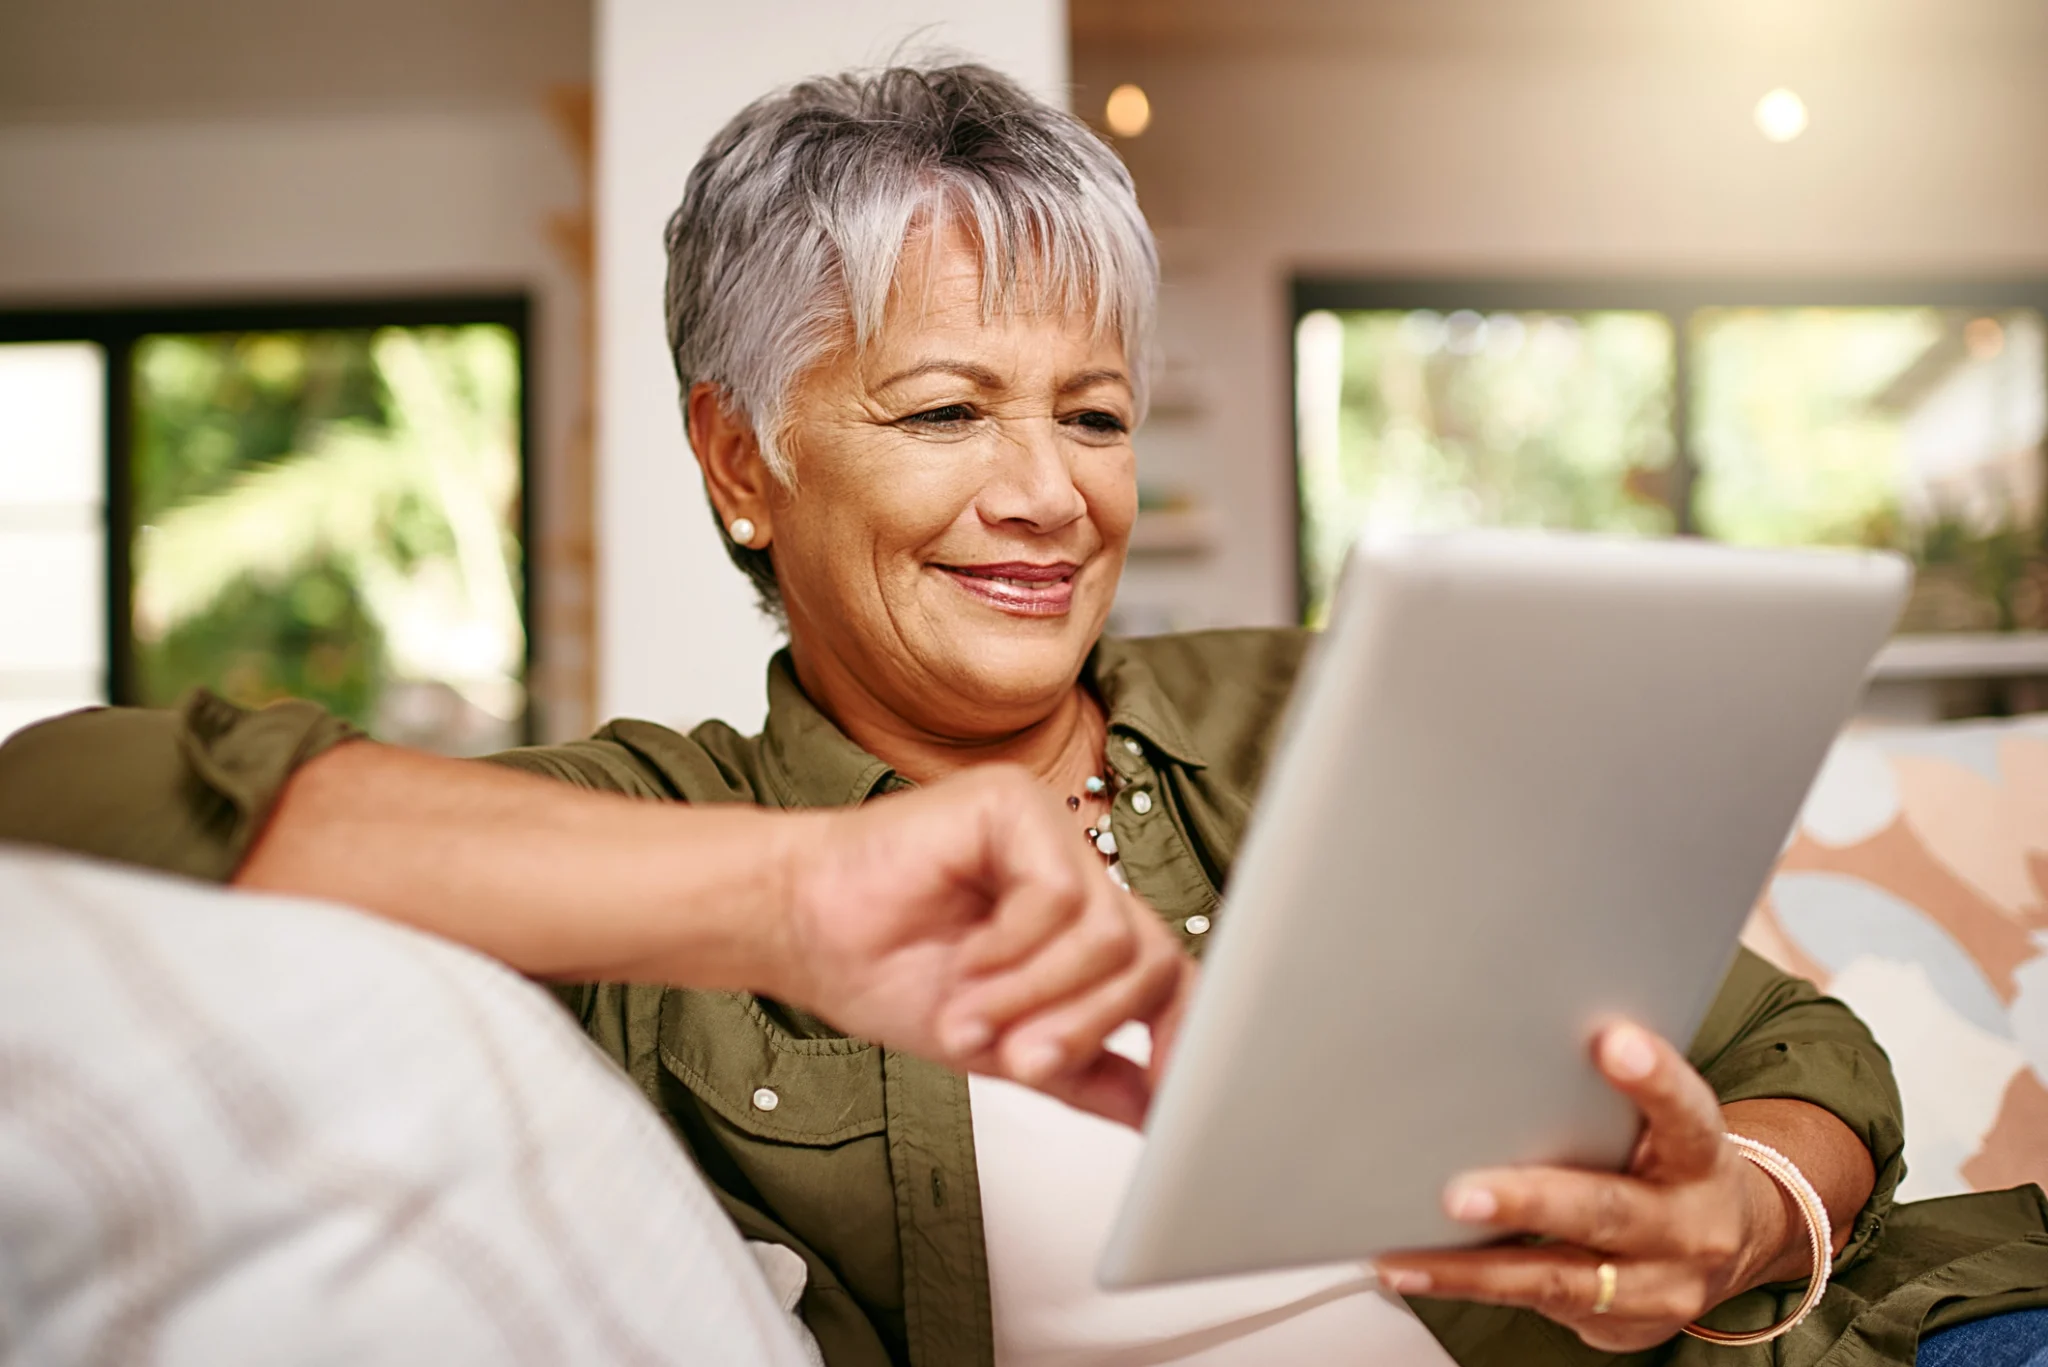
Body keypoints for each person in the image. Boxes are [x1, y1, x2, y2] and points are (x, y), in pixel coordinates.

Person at [2, 62, 2044, 1367]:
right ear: (738, 459)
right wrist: (793, 890)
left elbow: (1788, 1046)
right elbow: (65, 806)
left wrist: (1737, 1205)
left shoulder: (1302, 709)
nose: (1047, 494)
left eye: (1088, 414)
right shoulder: (664, 838)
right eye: (942, 410)